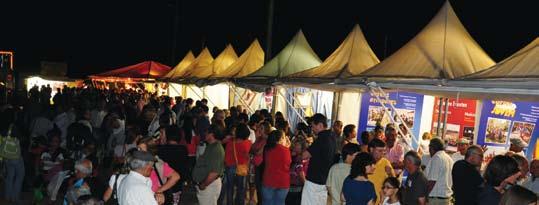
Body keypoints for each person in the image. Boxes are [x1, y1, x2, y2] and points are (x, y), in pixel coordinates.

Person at [301, 113, 336, 205]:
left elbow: (304, 155)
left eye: (313, 126)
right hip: (324, 179)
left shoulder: (322, 139)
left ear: (320, 125)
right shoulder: (332, 137)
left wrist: (304, 145)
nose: (312, 129)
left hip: (314, 180)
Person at [193, 124, 225, 205]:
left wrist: (204, 184)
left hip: (209, 186)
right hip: (207, 185)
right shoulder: (211, 146)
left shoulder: (216, 149)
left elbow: (214, 172)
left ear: (212, 134)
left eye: (207, 132)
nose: (205, 134)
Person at [157, 126, 189, 205]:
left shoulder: (161, 149)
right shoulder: (183, 150)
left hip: (164, 184)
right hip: (177, 184)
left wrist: (162, 140)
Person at [1, 107, 25, 204]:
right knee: (20, 175)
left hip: (6, 155)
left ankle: (8, 197)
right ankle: (15, 198)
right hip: (15, 156)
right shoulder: (13, 126)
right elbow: (21, 139)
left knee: (10, 176)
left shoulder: (2, 126)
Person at [224, 123, 252, 205]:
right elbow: (248, 157)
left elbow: (226, 156)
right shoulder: (248, 143)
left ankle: (230, 203)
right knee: (241, 189)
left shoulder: (230, 143)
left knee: (230, 188)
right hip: (242, 168)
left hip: (230, 167)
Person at [262, 130, 292, 205]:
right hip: (283, 182)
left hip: (269, 180)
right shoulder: (286, 150)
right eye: (284, 137)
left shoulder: (267, 149)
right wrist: (287, 147)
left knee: (267, 203)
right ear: (281, 139)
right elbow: (288, 164)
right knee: (280, 203)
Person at [424, 138, 453, 205]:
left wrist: (424, 195)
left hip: (435, 199)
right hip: (445, 199)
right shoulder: (449, 158)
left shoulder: (437, 158)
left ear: (431, 148)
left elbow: (432, 181)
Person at [368, 138, 394, 205]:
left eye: (383, 151)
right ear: (371, 149)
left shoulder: (386, 162)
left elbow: (394, 183)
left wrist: (390, 174)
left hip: (381, 202)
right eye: (380, 151)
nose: (382, 153)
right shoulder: (363, 161)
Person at [287, 137, 309, 205]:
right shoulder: (292, 156)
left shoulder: (302, 158)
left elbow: (301, 172)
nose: (295, 146)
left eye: (297, 145)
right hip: (290, 187)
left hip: (298, 187)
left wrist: (306, 185)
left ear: (302, 147)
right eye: (294, 144)